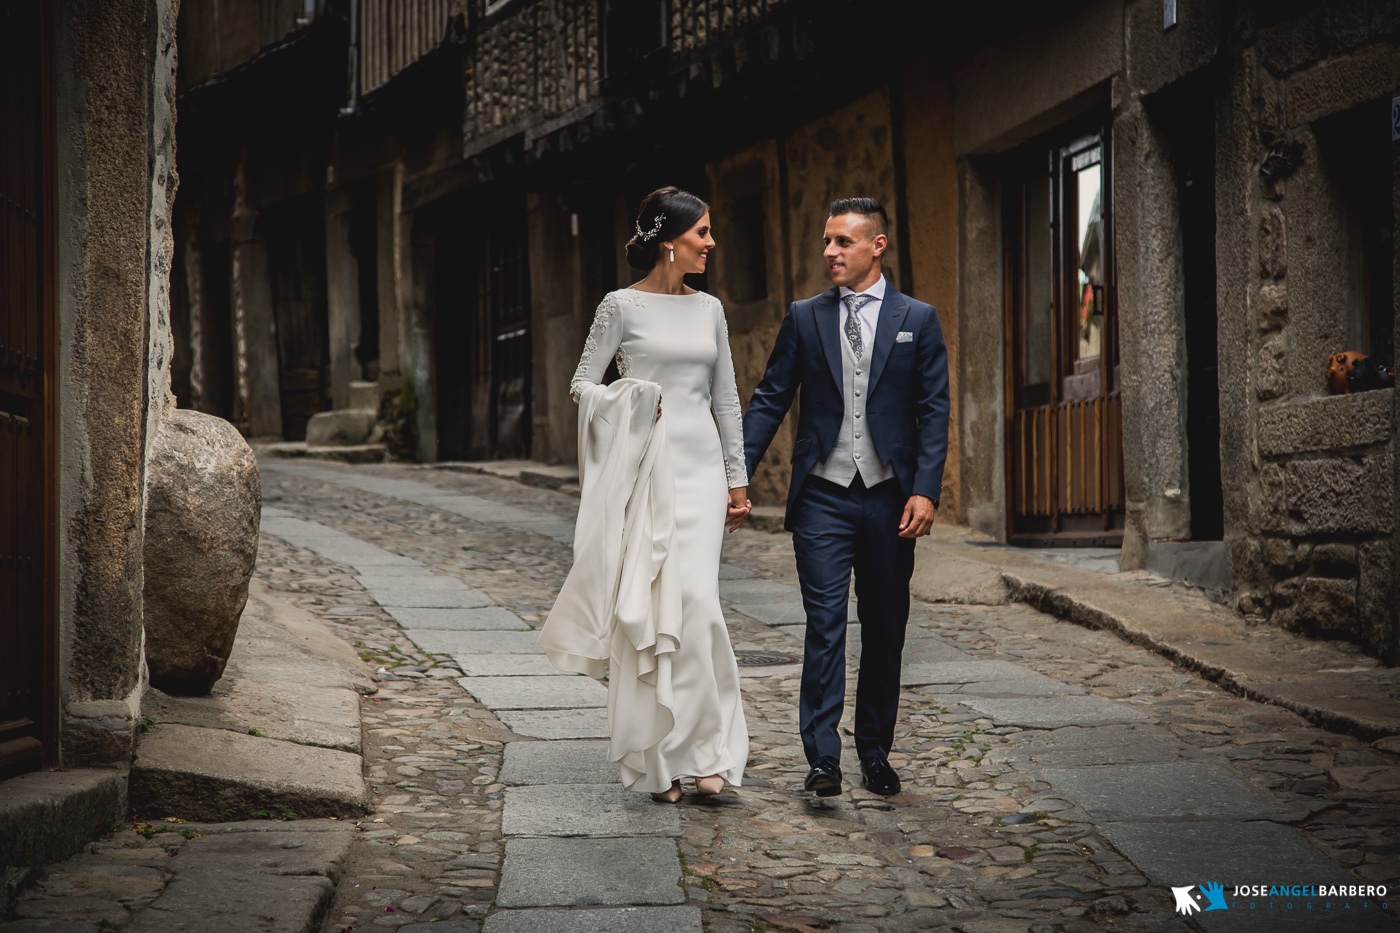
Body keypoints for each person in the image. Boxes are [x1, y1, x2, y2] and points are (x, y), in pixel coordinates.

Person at [539, 186, 751, 803]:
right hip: (647, 469)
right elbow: (583, 384)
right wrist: (631, 395)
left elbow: (726, 398)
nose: (711, 244)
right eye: (702, 233)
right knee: (657, 609)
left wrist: (737, 479)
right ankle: (660, 763)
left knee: (701, 606)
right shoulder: (619, 307)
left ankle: (709, 754)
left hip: (703, 468)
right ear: (669, 242)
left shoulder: (710, 308)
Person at [740, 197, 949, 798]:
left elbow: (934, 412)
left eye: (842, 242)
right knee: (825, 626)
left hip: (889, 498)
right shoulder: (806, 317)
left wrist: (925, 491)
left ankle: (875, 752)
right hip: (823, 498)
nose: (829, 252)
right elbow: (770, 399)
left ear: (876, 245)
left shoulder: (919, 318)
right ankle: (823, 758)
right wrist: (738, 475)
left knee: (885, 627)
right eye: (826, 241)